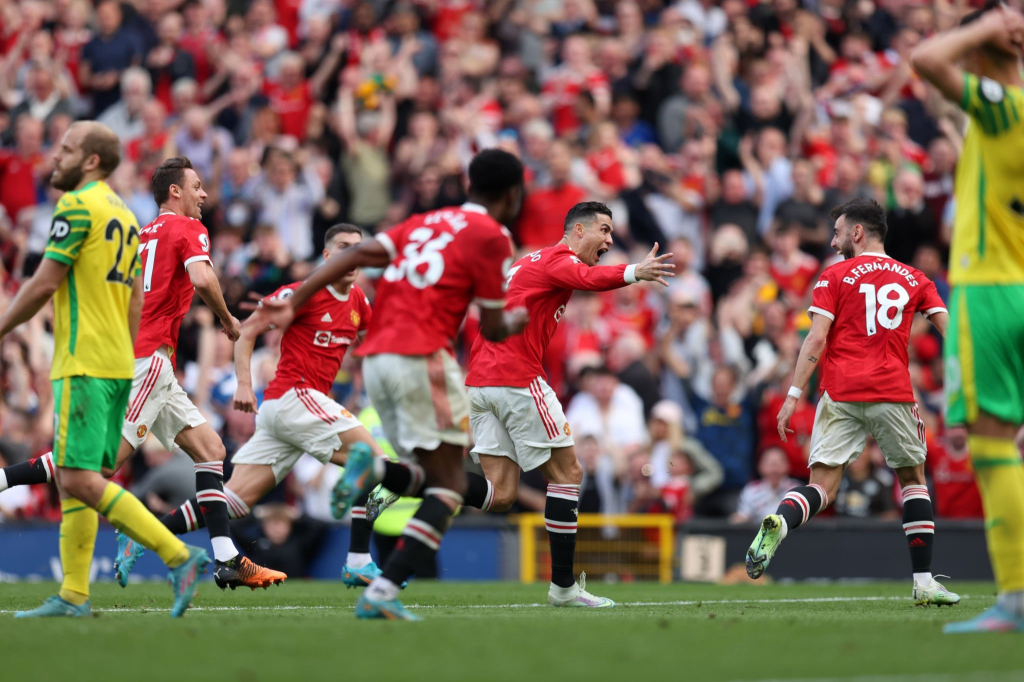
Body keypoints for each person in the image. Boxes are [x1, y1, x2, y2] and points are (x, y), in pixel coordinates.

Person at [248, 149, 529, 620]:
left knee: (419, 474)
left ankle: (375, 474)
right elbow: (495, 326)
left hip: (376, 359)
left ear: (466, 185)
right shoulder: (493, 236)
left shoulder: (424, 221)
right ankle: (382, 587)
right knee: (449, 488)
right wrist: (518, 316)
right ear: (513, 194)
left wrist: (295, 296)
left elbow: (357, 253)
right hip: (424, 358)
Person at [0, 157, 283, 591]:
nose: (203, 195)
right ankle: (4, 479)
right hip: (147, 360)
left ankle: (228, 558)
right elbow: (204, 279)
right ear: (175, 191)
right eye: (197, 186)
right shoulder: (187, 228)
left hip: (147, 360)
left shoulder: (138, 236)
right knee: (98, 463)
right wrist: (228, 320)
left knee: (210, 449)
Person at [0, 122, 206, 618]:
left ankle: (180, 555)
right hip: (119, 361)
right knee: (78, 476)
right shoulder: (123, 213)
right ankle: (73, 594)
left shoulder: (76, 206)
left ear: (91, 160)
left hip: (85, 362)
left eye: (67, 149)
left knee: (82, 478)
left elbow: (45, 283)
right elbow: (136, 298)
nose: (56, 157)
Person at [745, 198, 959, 608]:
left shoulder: (833, 275)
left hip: (839, 391)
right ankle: (924, 581)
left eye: (839, 231)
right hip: (892, 390)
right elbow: (951, 334)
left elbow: (815, 339)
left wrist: (792, 395)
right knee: (913, 481)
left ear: (857, 232)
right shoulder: (915, 277)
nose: (833, 238)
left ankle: (781, 521)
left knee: (821, 487)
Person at [460, 201, 674, 608]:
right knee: (569, 473)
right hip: (516, 377)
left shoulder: (528, 261)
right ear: (578, 231)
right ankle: (563, 588)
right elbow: (588, 278)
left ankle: (416, 479)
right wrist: (635, 272)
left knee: (500, 492)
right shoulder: (559, 258)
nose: (609, 241)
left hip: (481, 381)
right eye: (604, 231)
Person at [912, 1, 1024, 633]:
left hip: (989, 291)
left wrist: (988, 27)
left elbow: (926, 60)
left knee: (991, 445)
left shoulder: (1002, 106)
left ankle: (1016, 598)